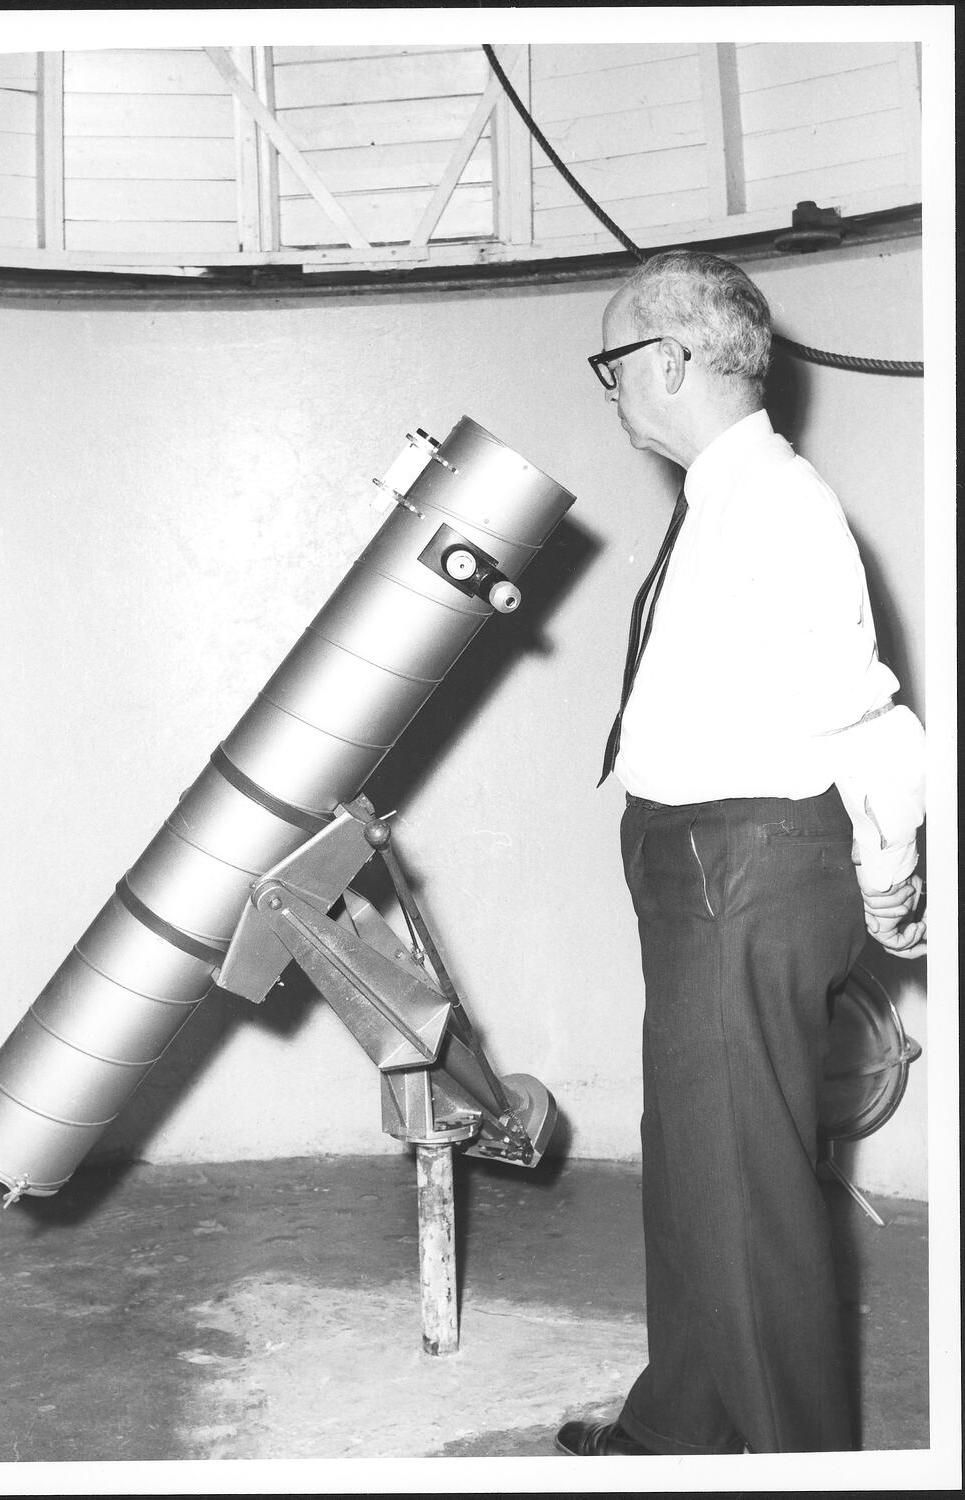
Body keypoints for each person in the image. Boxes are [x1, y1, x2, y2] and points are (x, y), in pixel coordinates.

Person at [555, 250, 927, 1457]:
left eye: (614, 363)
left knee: (746, 1196)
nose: (610, 389)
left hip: (744, 867)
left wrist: (888, 872)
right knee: (698, 1175)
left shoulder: (774, 501)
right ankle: (683, 1431)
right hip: (700, 863)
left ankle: (795, 1468)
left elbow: (858, 705)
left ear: (667, 361)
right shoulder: (722, 497)